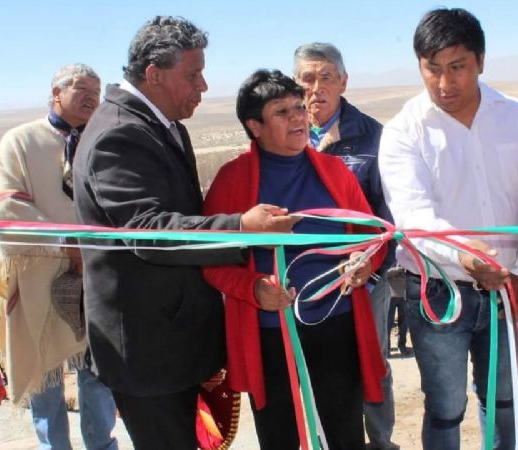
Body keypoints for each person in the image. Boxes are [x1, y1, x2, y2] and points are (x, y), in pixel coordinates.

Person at [72, 17, 294, 449]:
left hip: (175, 341)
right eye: (193, 75)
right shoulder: (119, 134)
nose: (204, 86)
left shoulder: (161, 125)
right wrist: (241, 229)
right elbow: (148, 231)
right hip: (149, 351)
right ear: (154, 74)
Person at [379, 8, 518, 450]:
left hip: (509, 287)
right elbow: (413, 217)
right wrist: (466, 257)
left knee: (505, 401)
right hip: (436, 292)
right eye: (432, 69)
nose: (444, 83)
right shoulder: (403, 132)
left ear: (481, 61)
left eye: (457, 67)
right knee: (445, 407)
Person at [202, 69, 386, 450]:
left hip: (338, 324)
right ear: (255, 126)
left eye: (299, 107)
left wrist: (364, 262)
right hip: (270, 332)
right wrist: (254, 289)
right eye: (282, 112)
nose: (299, 117)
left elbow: (372, 236)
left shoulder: (335, 171)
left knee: (346, 434)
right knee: (279, 436)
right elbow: (211, 261)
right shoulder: (231, 180)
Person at [0, 63, 118, 450]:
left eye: (96, 91)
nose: (90, 96)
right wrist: (65, 241)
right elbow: (5, 207)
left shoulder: (105, 142)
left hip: (96, 279)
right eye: (80, 88)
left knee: (97, 377)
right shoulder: (21, 141)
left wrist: (94, 249)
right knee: (46, 381)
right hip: (38, 279)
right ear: (55, 93)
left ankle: (102, 446)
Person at [293, 42, 399, 450]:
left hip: (363, 279)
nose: (315, 88)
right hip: (301, 280)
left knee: (373, 366)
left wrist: (370, 268)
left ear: (343, 82)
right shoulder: (284, 134)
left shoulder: (373, 137)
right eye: (306, 78)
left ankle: (381, 443)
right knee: (311, 369)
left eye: (325, 77)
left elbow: (387, 217)